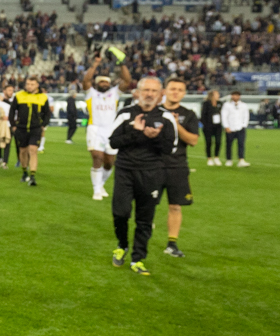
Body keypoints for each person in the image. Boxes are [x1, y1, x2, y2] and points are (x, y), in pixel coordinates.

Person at [109, 76, 178, 276]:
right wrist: (136, 133)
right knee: (120, 213)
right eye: (145, 90)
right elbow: (113, 142)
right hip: (125, 171)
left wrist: (154, 138)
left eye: (153, 91)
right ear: (137, 92)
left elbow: (170, 149)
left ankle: (138, 259)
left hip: (151, 173)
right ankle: (122, 244)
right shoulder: (125, 114)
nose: (149, 94)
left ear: (160, 94)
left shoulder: (166, 118)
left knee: (145, 219)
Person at [82, 53, 136, 200]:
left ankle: (101, 184)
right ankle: (96, 190)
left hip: (111, 130)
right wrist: (95, 64)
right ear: (98, 83)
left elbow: (127, 80)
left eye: (107, 82)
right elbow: (86, 80)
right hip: (95, 128)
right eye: (102, 82)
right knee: (97, 157)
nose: (104, 84)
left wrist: (122, 63)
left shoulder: (114, 93)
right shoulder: (91, 94)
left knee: (109, 163)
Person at [160, 77, 199, 258]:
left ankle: (172, 244)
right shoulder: (154, 111)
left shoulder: (189, 114)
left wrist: (176, 125)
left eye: (180, 90)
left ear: (184, 93)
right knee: (146, 204)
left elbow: (193, 140)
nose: (176, 92)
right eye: (172, 88)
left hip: (177, 166)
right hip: (153, 165)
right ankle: (140, 238)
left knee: (175, 206)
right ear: (165, 91)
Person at [8, 76, 50, 186]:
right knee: (23, 151)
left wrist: (43, 125)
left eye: (32, 84)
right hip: (21, 128)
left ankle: (32, 176)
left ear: (37, 85)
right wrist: (13, 125)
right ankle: (24, 172)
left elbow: (47, 114)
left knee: (33, 150)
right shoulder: (19, 96)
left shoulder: (43, 97)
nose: (29, 86)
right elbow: (12, 111)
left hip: (35, 128)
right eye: (28, 84)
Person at [221, 90, 251, 167]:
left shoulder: (244, 105)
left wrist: (244, 125)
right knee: (229, 145)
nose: (235, 97)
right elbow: (224, 116)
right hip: (230, 127)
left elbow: (246, 116)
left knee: (241, 144)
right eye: (234, 95)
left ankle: (241, 159)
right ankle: (229, 160)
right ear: (231, 96)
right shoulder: (227, 105)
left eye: (237, 95)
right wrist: (226, 126)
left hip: (240, 127)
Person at [200, 90, 223, 165]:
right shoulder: (206, 104)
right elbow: (203, 115)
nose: (218, 95)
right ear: (212, 95)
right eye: (217, 94)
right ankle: (209, 158)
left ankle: (216, 157)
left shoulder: (220, 103)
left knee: (218, 142)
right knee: (209, 142)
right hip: (208, 127)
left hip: (218, 126)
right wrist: (206, 125)